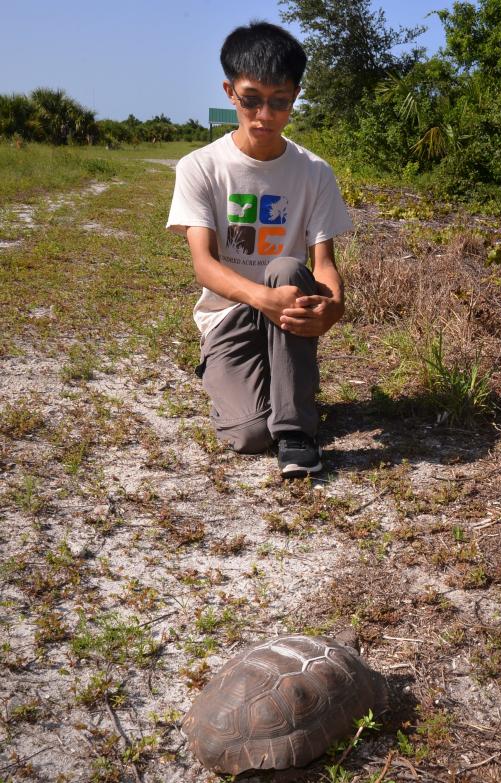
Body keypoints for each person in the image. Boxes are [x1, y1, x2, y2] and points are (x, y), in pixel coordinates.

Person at [166, 21, 352, 478]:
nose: (263, 115)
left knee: (289, 267)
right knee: (248, 435)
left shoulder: (314, 172)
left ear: (295, 97)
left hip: (285, 300)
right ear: (230, 92)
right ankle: (230, 370)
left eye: (279, 102)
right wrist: (261, 298)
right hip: (229, 313)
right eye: (251, 100)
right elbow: (205, 267)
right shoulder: (201, 167)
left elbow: (323, 265)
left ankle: (296, 432)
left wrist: (335, 305)